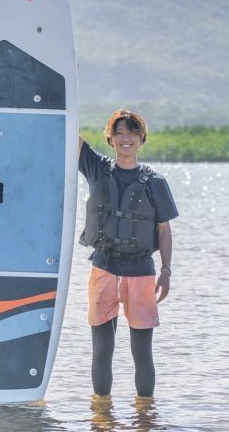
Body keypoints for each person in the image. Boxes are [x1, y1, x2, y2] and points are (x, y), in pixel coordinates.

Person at [78, 108, 179, 398]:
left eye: (132, 133)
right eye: (119, 132)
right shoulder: (97, 168)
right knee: (102, 349)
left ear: (141, 138)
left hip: (141, 273)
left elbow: (164, 230)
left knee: (142, 352)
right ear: (109, 138)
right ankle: (101, 419)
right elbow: (69, 132)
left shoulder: (155, 183)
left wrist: (167, 271)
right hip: (104, 269)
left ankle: (144, 418)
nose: (125, 139)